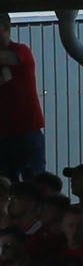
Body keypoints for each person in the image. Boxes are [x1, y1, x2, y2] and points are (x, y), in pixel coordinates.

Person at [0, 12, 46, 181]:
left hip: (26, 131)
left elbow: (11, 59)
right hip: (7, 133)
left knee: (35, 182)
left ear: (5, 28)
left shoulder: (21, 50)